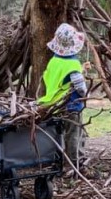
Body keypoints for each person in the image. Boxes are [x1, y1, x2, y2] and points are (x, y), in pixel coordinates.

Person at [36, 23, 89, 171]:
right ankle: (74, 163)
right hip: (71, 106)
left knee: (59, 133)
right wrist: (85, 92)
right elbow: (80, 87)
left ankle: (58, 160)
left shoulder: (54, 61)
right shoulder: (73, 64)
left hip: (53, 104)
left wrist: (81, 71)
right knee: (74, 134)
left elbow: (53, 79)